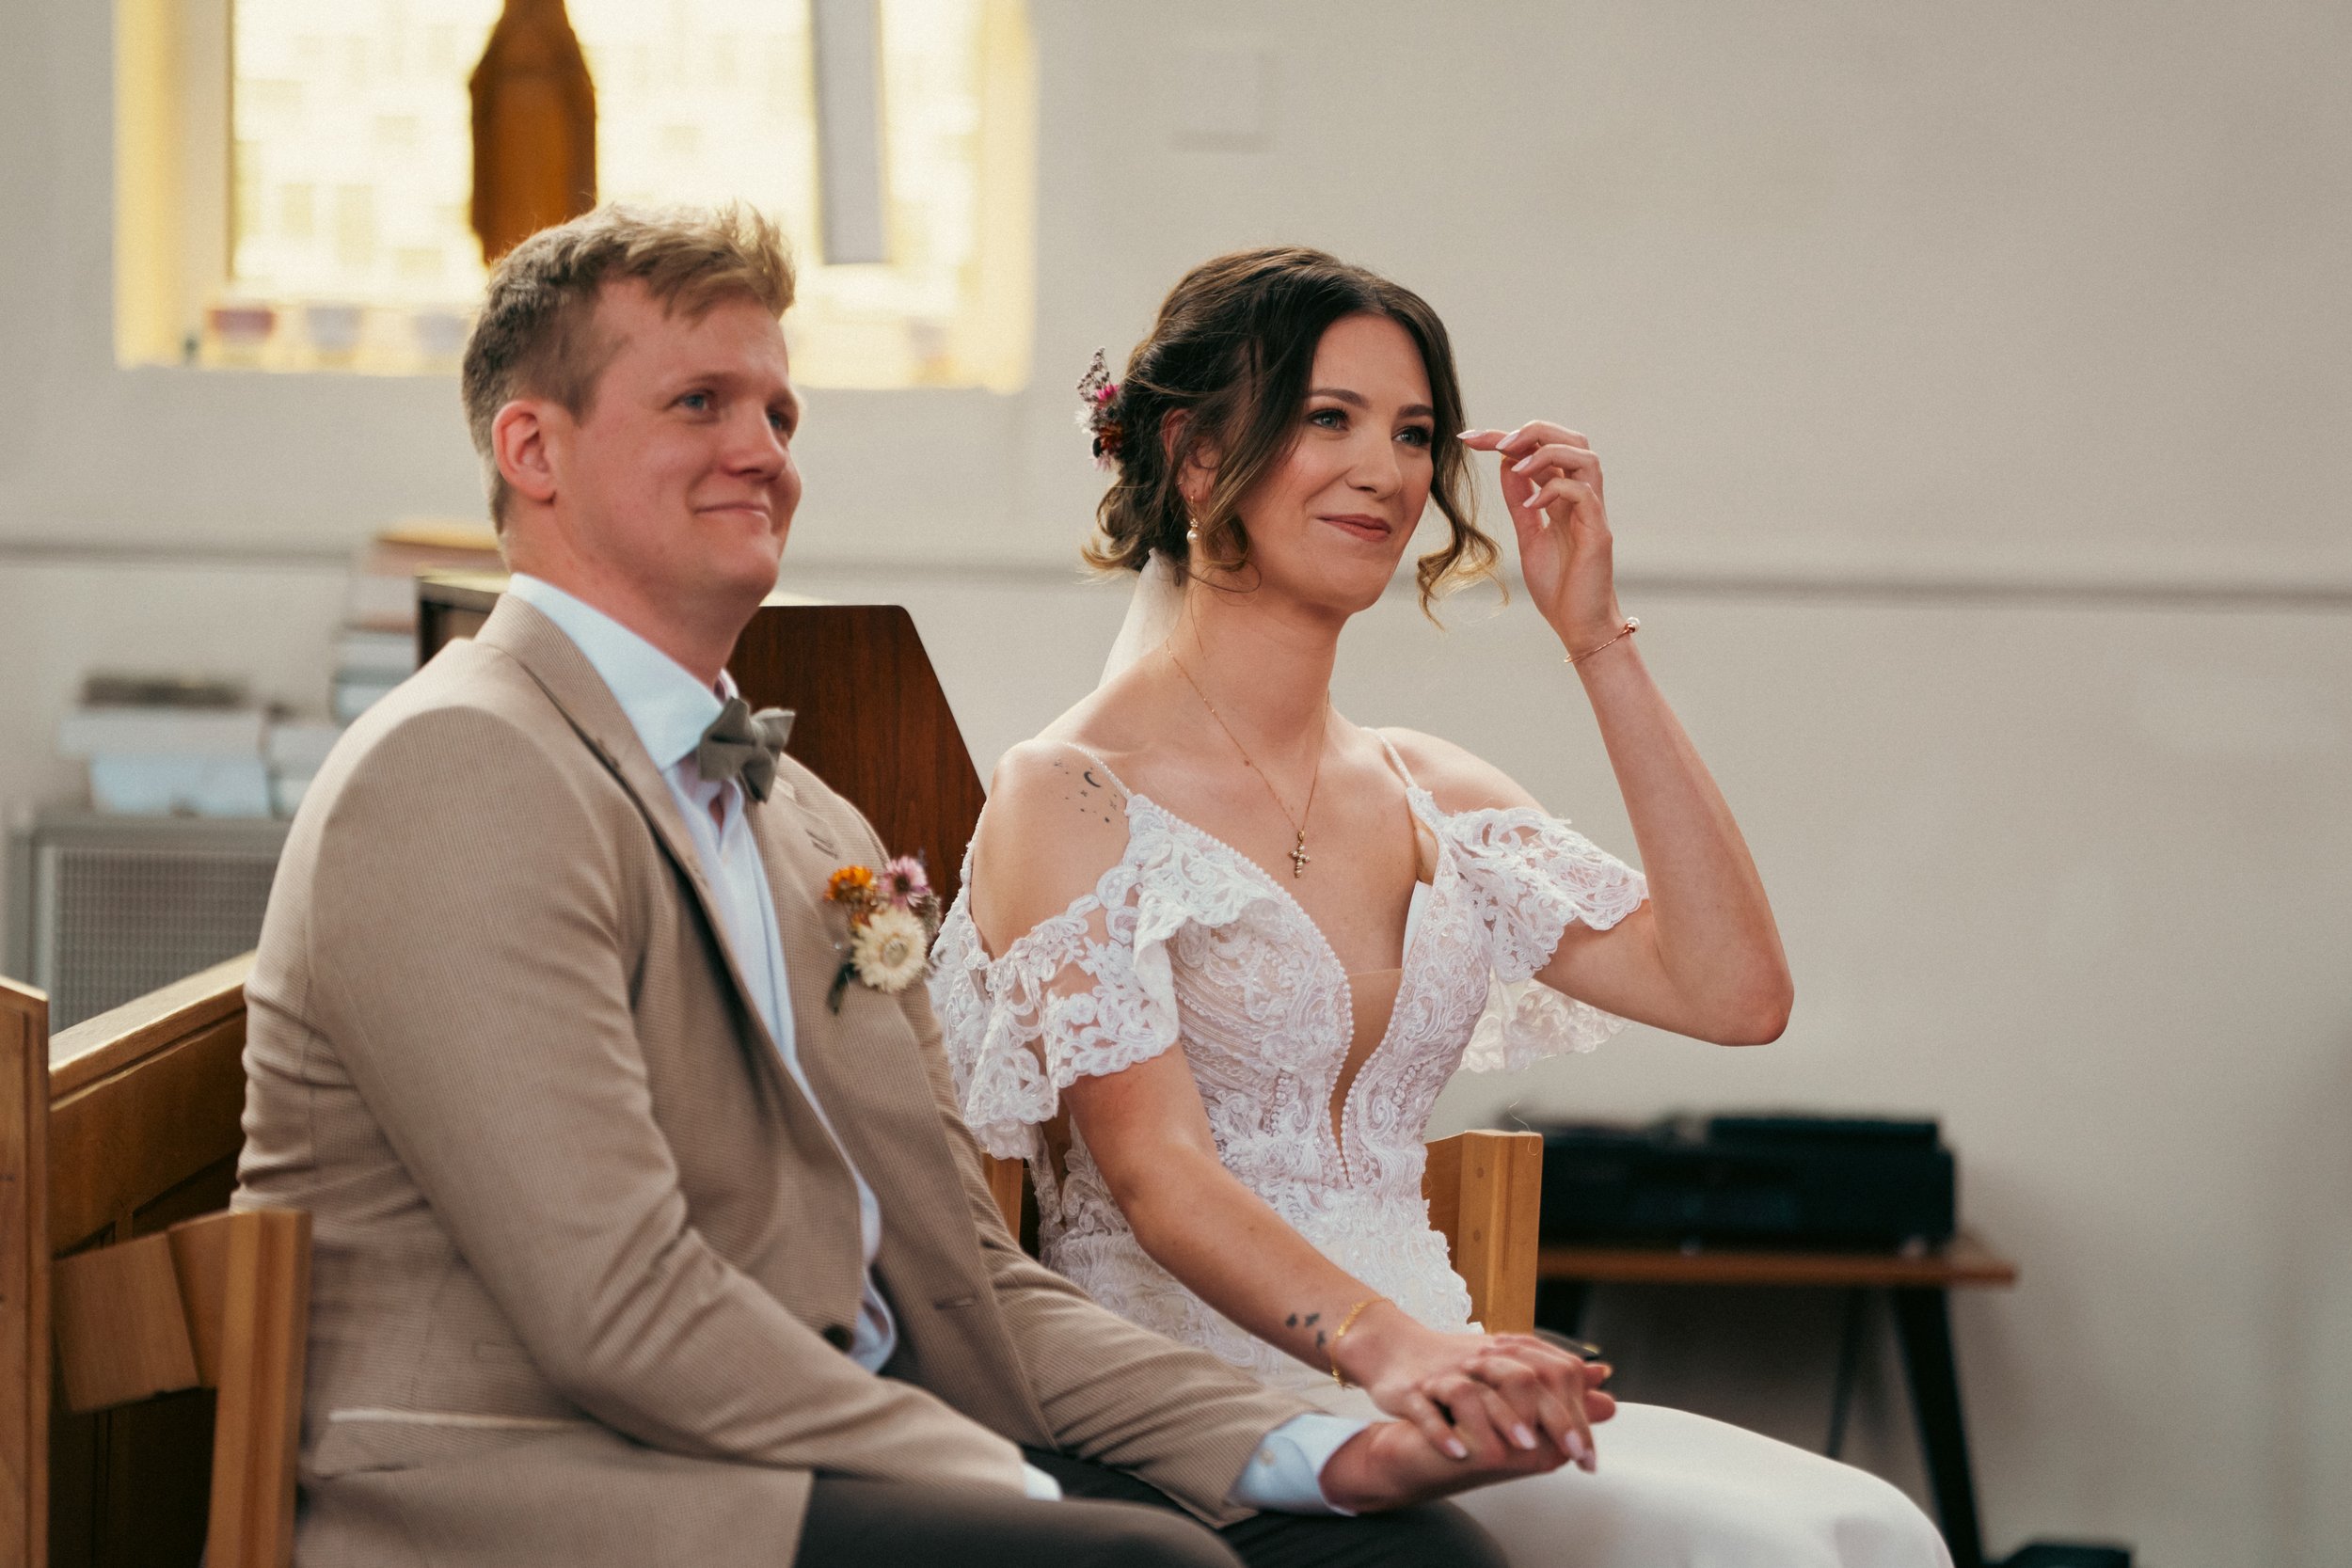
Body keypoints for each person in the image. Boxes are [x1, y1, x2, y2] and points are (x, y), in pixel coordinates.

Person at [233, 208, 1541, 1568]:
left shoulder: (806, 821)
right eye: (701, 403)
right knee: (1145, 1567)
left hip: (822, 1447)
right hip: (559, 1488)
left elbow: (967, 1280)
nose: (764, 454)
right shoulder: (464, 766)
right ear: (533, 448)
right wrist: (1014, 1493)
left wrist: (1313, 1443)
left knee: (1412, 1555)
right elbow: (613, 1309)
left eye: (780, 416)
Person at [935, 245, 1954, 1567]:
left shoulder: (1435, 793)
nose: (1388, 471)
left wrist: (1595, 640)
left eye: (1414, 433)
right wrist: (1402, 1357)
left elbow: (1735, 994)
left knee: (1863, 1526)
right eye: (1328, 418)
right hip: (1211, 1416)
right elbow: (1159, 1179)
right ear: (1192, 455)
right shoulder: (1068, 797)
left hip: (1451, 1388)